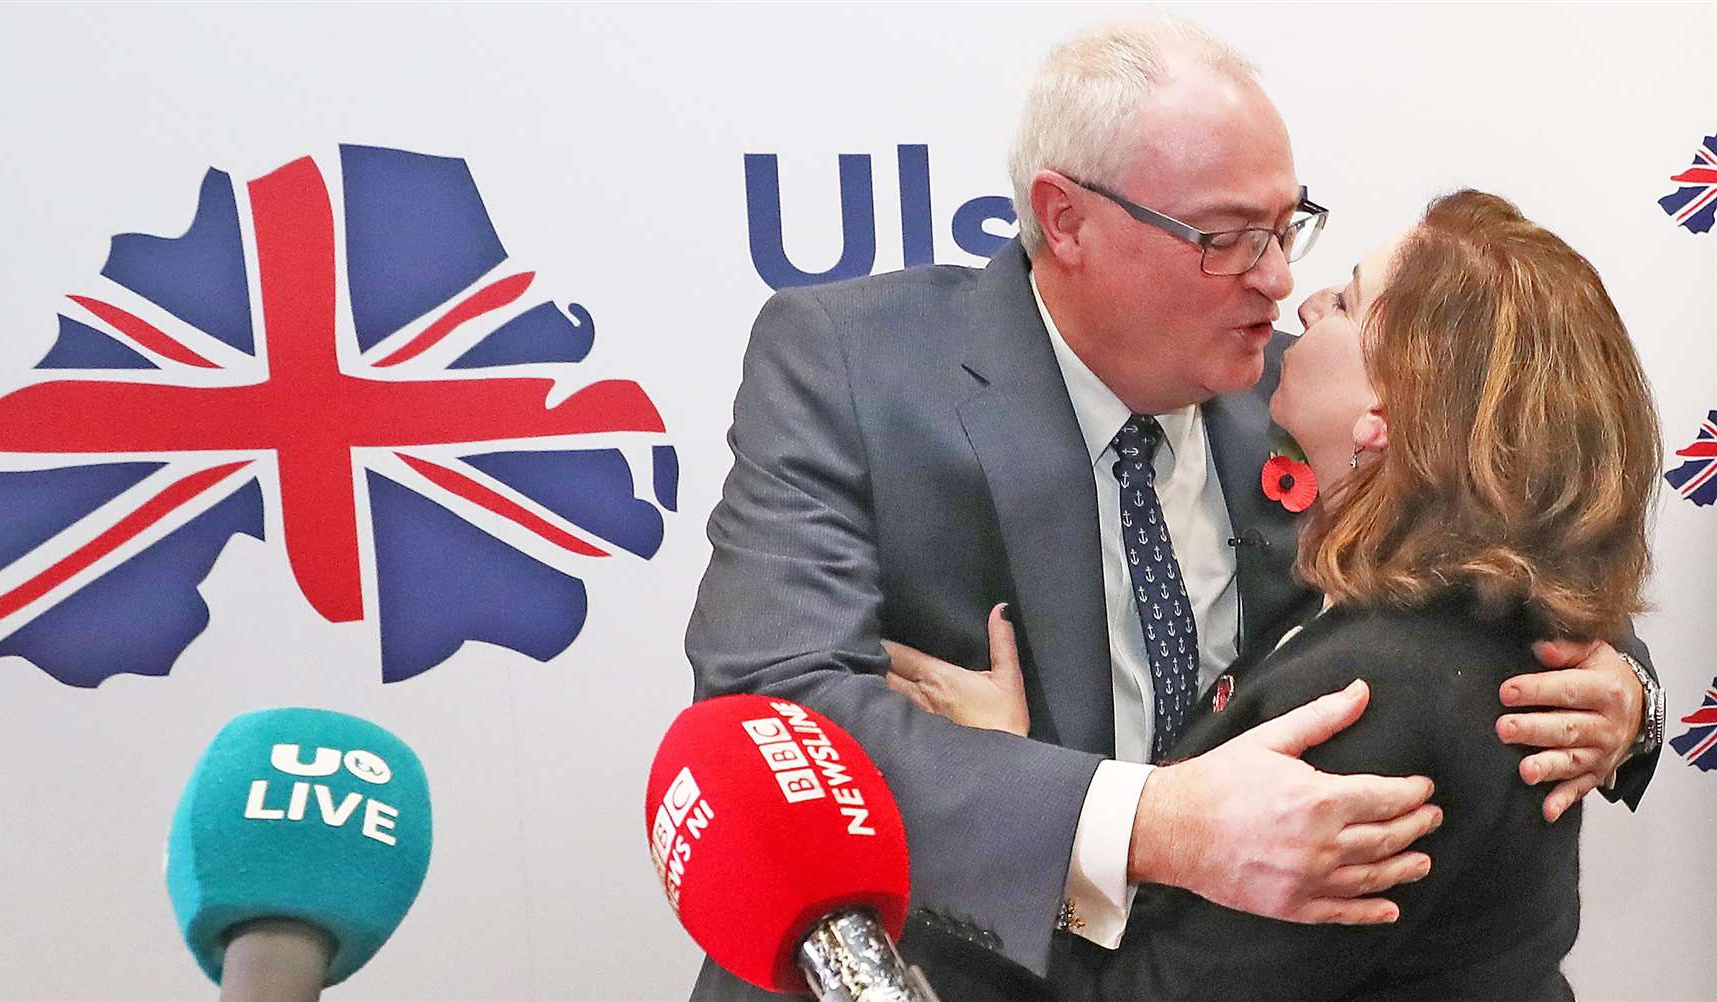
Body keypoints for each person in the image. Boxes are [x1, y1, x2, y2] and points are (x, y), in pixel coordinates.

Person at [685, 17, 1662, 1001]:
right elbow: (771, 718)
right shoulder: (852, 367)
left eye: (1288, 228)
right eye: (1227, 237)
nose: (1280, 281)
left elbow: (1508, 551)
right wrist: (1151, 821)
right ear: (1065, 220)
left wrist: (1628, 695)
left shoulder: (1311, 394)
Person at [893, 188, 1659, 1001]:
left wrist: (1006, 795)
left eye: (1349, 301)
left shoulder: (1374, 701)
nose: (1306, 297)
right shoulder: (1471, 604)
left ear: (1388, 411)